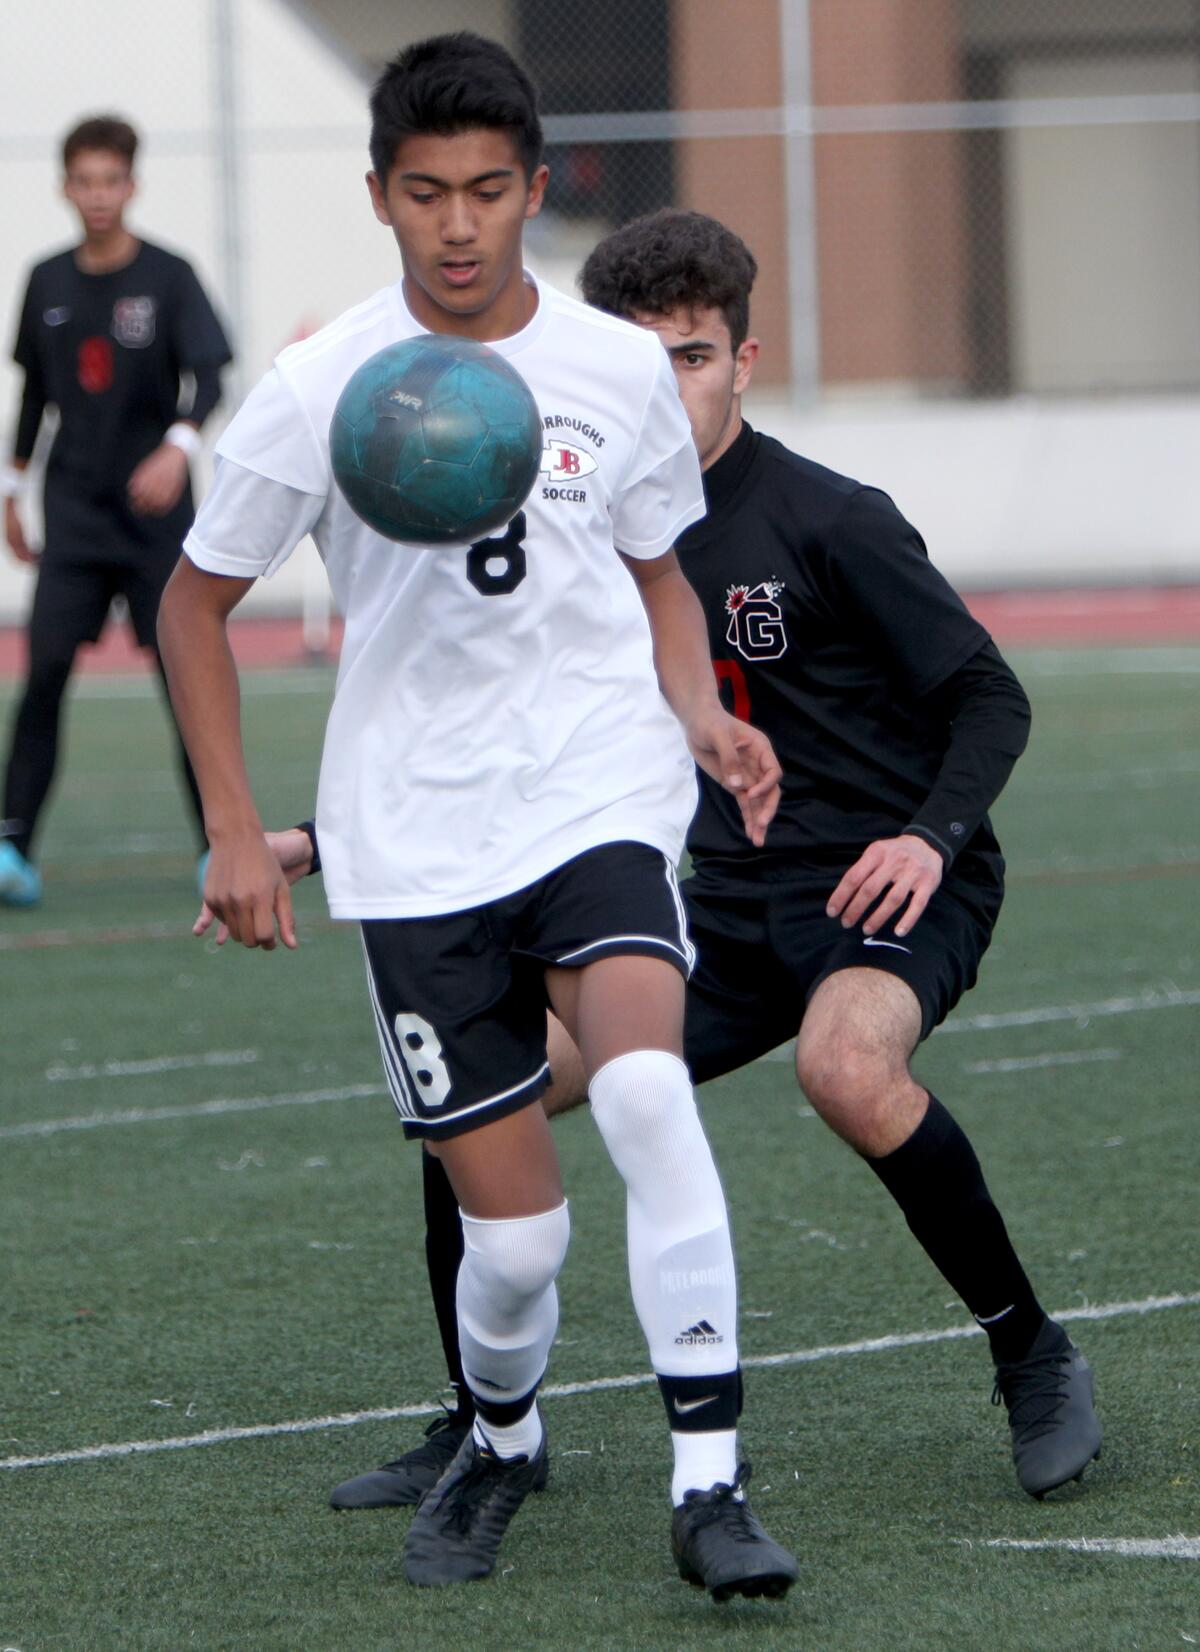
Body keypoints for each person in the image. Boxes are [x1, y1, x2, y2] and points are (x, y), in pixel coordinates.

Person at [298, 208, 1101, 1511]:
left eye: (694, 356)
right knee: (476, 1107)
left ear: (745, 360)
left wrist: (927, 836)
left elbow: (987, 698)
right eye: (642, 360)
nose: (669, 387)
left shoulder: (835, 521)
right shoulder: (586, 540)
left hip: (880, 890)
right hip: (720, 908)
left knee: (846, 1067)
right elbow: (510, 736)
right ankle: (486, 1425)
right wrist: (321, 840)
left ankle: (1031, 1353)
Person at [160, 37, 797, 1600]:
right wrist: (238, 825)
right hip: (415, 835)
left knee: (648, 1091)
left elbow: (657, 568)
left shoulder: (618, 367)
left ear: (534, 191)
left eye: (491, 193)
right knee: (513, 1250)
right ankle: (502, 1436)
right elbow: (192, 607)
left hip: (597, 792)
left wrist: (701, 712)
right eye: (427, 194)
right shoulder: (320, 390)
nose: (459, 226)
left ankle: (710, 1485)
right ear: (379, 194)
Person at [0, 115, 232, 908]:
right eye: (84, 181)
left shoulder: (169, 276)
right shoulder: (46, 280)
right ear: (66, 187)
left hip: (155, 523)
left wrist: (177, 446)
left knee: (185, 678)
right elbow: (36, 394)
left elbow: (209, 377)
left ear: (131, 185)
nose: (98, 196)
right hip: (74, 515)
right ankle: (12, 850)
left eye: (111, 181)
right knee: (44, 677)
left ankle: (222, 847)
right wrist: (11, 489)